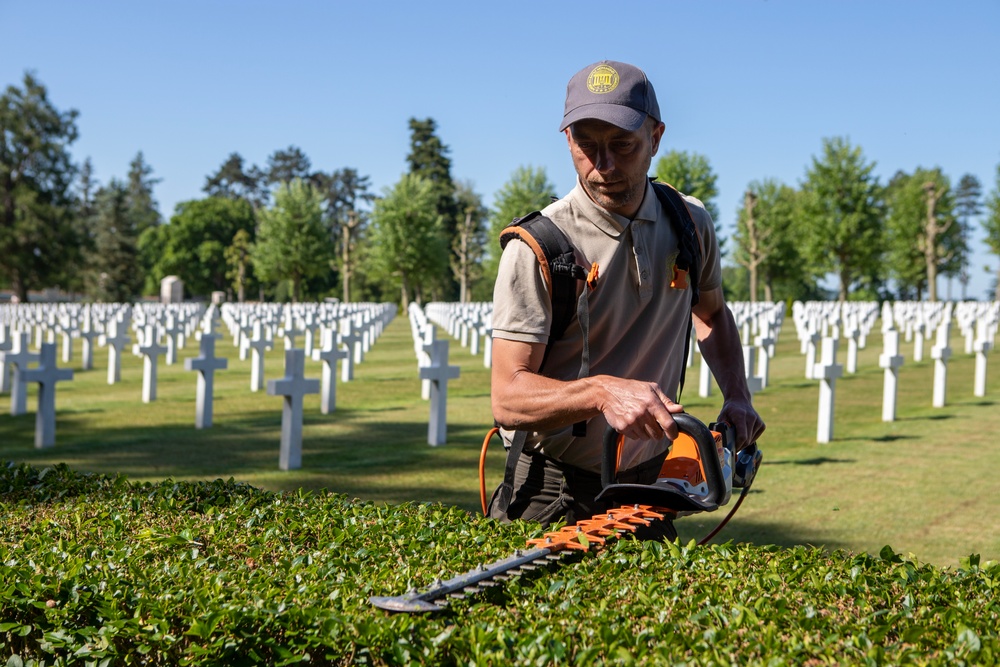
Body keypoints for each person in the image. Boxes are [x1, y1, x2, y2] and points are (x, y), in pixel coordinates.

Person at [487, 60, 765, 538]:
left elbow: (712, 313)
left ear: (655, 138)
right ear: (568, 140)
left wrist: (737, 395)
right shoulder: (539, 246)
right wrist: (600, 391)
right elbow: (508, 398)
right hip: (554, 488)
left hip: (652, 481)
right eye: (586, 146)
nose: (604, 166)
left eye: (623, 145)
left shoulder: (690, 224)